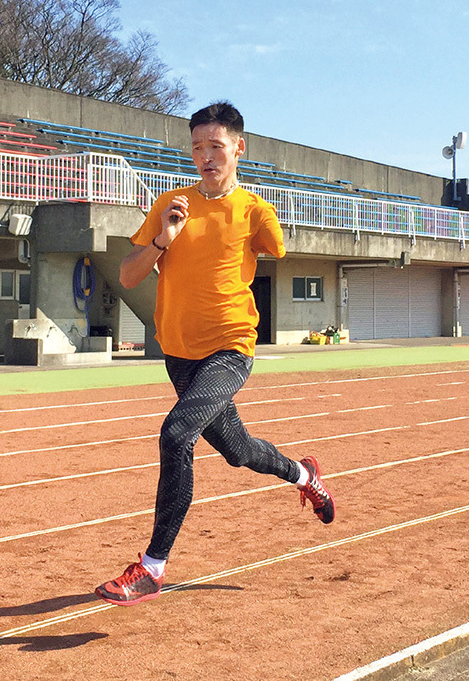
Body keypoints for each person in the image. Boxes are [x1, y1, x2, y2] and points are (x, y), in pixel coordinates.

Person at [94, 102, 335, 607]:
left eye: (216, 146)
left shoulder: (254, 211)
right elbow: (129, 276)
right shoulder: (171, 203)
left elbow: (276, 248)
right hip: (179, 353)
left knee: (176, 434)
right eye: (197, 147)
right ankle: (305, 475)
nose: (206, 156)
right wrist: (163, 239)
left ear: (238, 148)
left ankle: (152, 568)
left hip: (230, 348)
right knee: (238, 450)